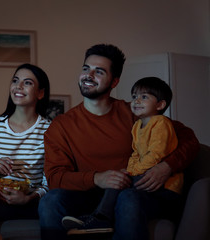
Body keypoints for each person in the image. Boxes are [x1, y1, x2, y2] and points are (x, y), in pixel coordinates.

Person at [38, 44, 200, 240]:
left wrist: (167, 166)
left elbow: (190, 140)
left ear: (114, 81)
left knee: (127, 198)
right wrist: (97, 178)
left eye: (99, 71)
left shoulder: (135, 112)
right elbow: (56, 178)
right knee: (50, 200)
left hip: (135, 193)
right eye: (85, 69)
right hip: (90, 196)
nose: (88, 75)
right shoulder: (61, 125)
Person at [62, 76, 182, 233]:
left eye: (144, 97)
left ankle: (100, 218)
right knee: (117, 178)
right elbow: (135, 154)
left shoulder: (161, 123)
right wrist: (129, 171)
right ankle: (100, 218)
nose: (136, 101)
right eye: (134, 97)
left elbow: (156, 154)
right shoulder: (137, 125)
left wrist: (135, 171)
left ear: (160, 104)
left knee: (121, 182)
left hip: (164, 187)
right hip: (143, 175)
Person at [0, 63, 51, 223]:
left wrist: (29, 198)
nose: (18, 87)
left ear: (40, 93)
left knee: (50, 202)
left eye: (27, 83)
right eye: (15, 81)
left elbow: (50, 181)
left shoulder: (50, 130)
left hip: (30, 203)